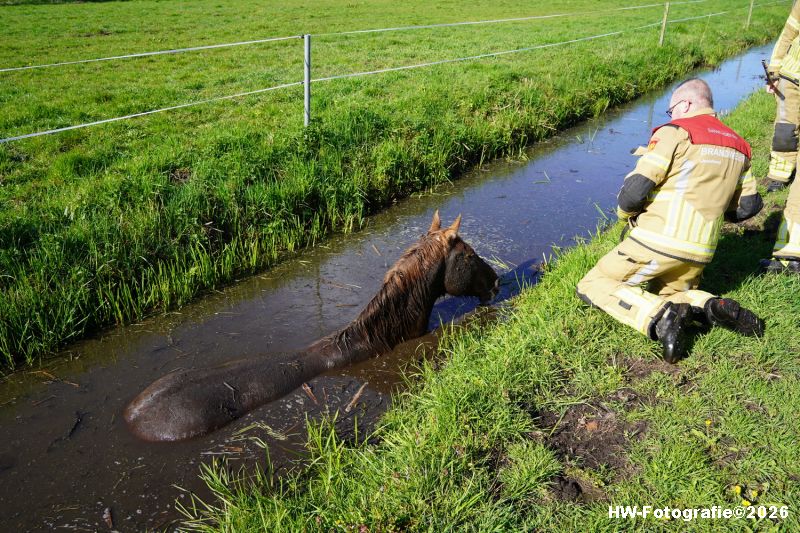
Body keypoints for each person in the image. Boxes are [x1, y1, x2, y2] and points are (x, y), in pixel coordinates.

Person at [576, 78, 765, 363]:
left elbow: (634, 192)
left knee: (594, 283)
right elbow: (748, 208)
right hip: (702, 249)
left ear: (686, 104)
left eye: (671, 110)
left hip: (657, 239)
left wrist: (625, 217)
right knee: (673, 293)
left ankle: (658, 318)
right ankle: (711, 304)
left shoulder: (675, 132)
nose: (671, 115)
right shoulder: (740, 146)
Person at [762, 4, 800, 273]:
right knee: (786, 130)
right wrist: (774, 72)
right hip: (793, 76)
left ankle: (791, 250)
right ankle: (778, 175)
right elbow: (788, 33)